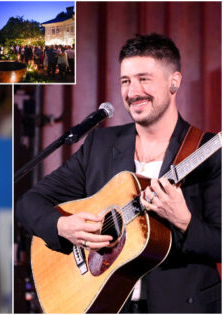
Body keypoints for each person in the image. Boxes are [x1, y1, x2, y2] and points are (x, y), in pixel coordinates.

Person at [16, 33, 221, 313]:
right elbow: (29, 204)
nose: (132, 92)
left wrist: (184, 220)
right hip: (106, 306)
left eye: (144, 79)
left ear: (174, 81)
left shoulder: (209, 152)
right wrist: (62, 227)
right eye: (125, 81)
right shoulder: (100, 145)